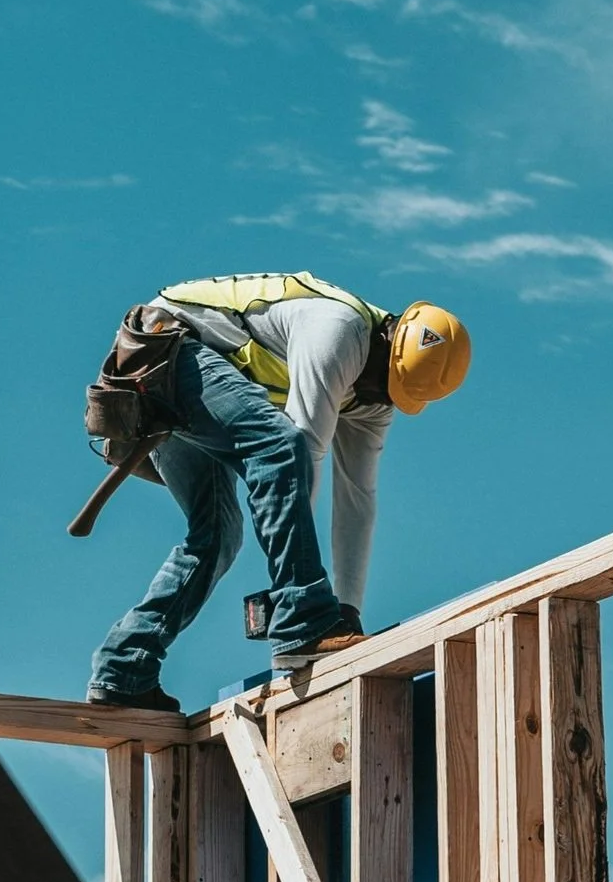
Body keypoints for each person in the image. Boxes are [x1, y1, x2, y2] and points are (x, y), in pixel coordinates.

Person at [86, 271, 470, 710]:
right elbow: (300, 450)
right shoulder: (339, 330)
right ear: (387, 339)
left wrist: (348, 612)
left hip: (187, 378)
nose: (373, 397)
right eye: (379, 382)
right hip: (163, 351)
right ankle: (303, 618)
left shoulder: (373, 398)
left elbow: (357, 500)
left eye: (389, 393)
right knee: (280, 445)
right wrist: (304, 607)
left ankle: (123, 669)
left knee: (216, 537)